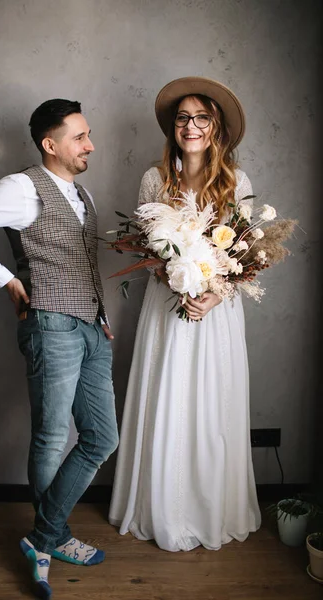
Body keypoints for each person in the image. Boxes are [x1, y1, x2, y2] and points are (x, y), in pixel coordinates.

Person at [0, 99, 119, 599]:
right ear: (50, 144)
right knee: (51, 436)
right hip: (51, 326)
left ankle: (40, 537)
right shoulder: (21, 188)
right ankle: (54, 537)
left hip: (91, 328)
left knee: (102, 438)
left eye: (88, 135)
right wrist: (7, 281)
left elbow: (80, 261)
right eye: (80, 137)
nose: (91, 145)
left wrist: (100, 317)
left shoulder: (80, 192)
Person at [109, 77, 261, 552]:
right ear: (173, 127)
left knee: (212, 401)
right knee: (166, 395)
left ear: (215, 127)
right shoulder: (156, 180)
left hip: (217, 310)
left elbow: (245, 255)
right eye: (183, 118)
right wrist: (176, 277)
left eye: (201, 117)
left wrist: (212, 293)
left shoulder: (238, 182)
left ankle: (209, 504)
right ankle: (159, 505)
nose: (190, 126)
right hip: (167, 306)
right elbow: (145, 250)